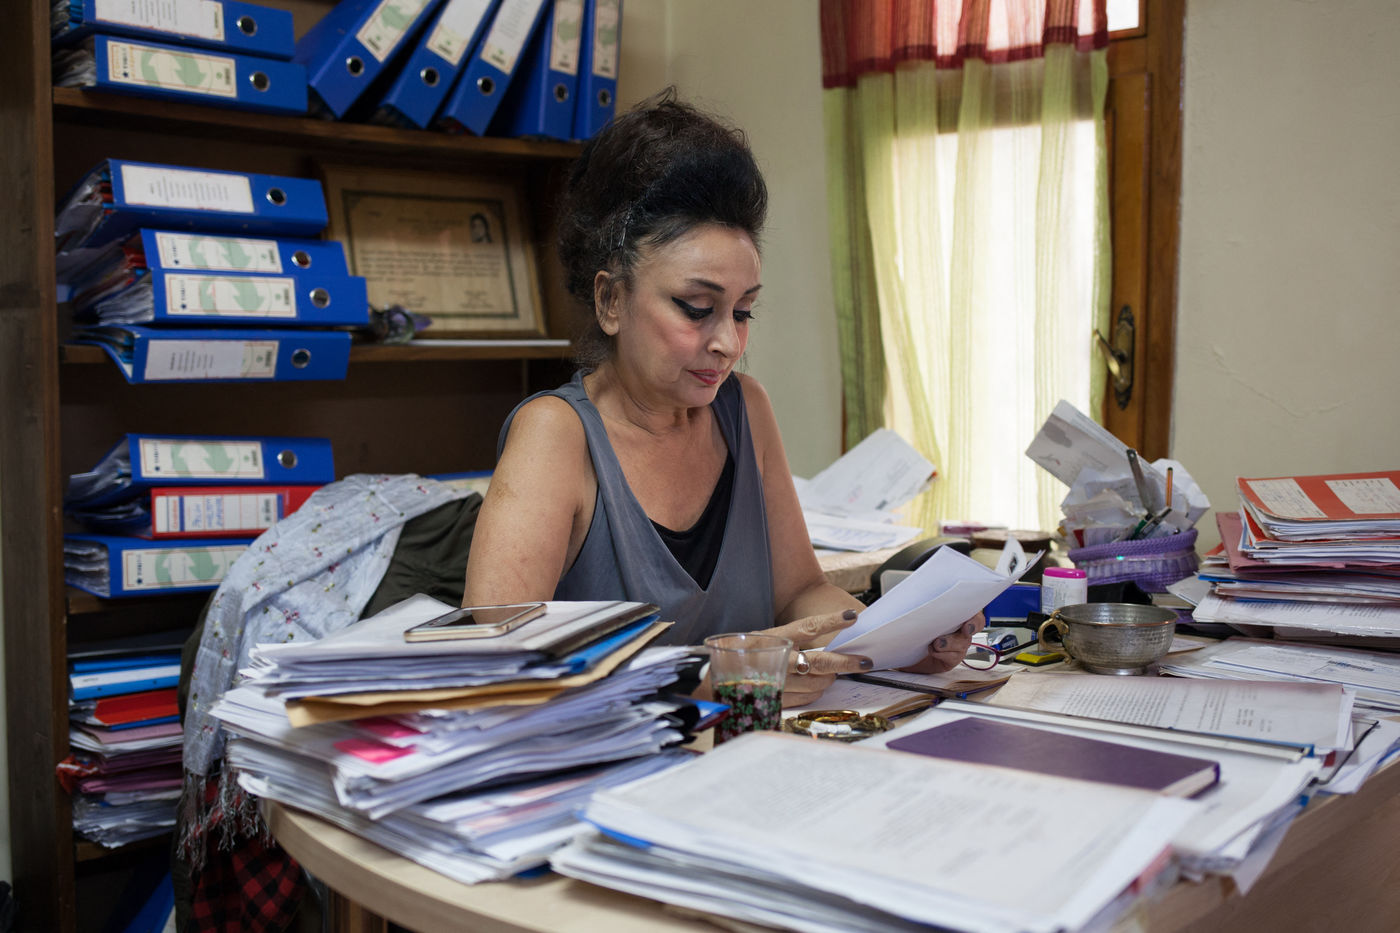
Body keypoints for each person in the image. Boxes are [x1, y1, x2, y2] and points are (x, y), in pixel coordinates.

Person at [463, 90, 981, 706]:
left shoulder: (744, 409)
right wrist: (713, 676)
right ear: (611, 300)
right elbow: (494, 661)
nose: (727, 343)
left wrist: (900, 639)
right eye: (696, 308)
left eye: (743, 312)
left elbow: (800, 594)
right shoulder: (556, 434)